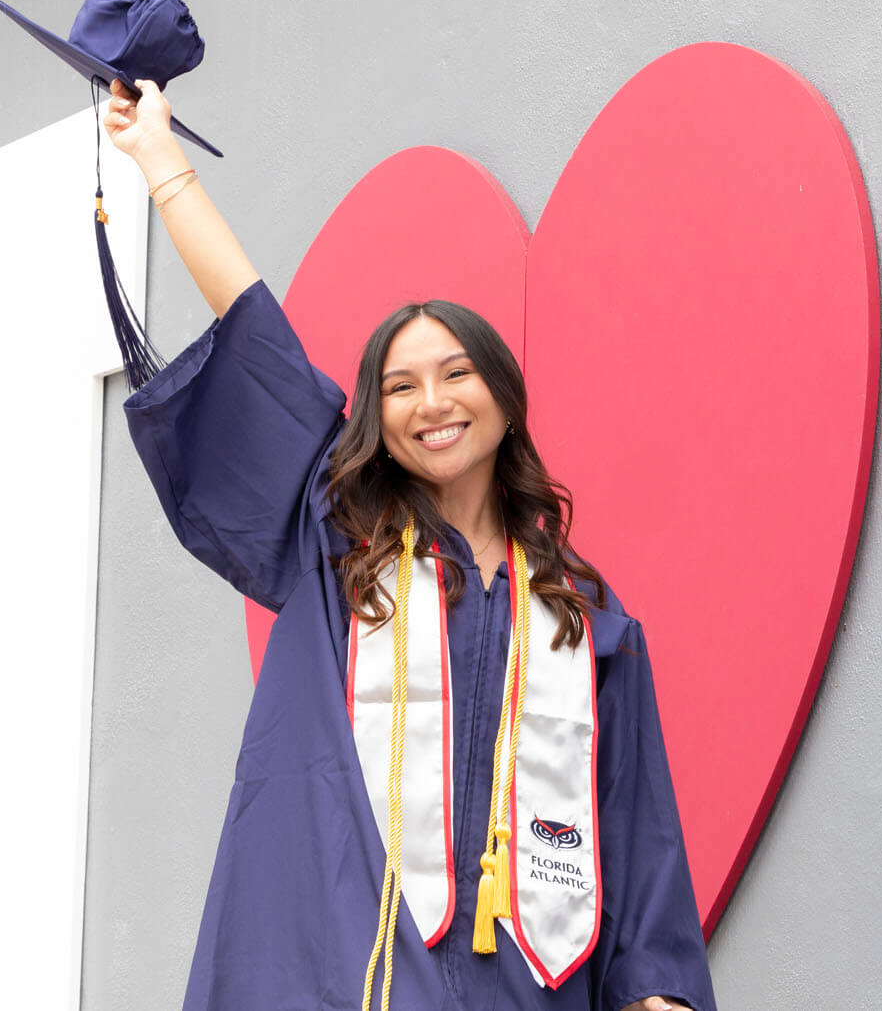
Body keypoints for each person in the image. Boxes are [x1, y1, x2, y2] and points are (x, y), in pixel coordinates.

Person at [103, 77, 715, 1011]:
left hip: (529, 990)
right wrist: (159, 162)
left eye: (457, 374)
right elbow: (256, 334)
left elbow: (639, 833)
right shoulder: (338, 543)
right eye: (400, 387)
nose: (432, 404)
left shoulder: (585, 620)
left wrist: (658, 995)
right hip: (354, 977)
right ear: (377, 422)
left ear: (506, 402)